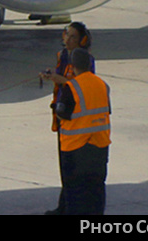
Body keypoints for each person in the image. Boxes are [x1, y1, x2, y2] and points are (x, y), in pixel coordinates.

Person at [42, 23, 94, 214]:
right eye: (67, 36)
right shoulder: (62, 56)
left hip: (77, 120)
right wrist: (52, 76)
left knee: (73, 168)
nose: (68, 40)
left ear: (82, 41)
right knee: (65, 167)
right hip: (62, 115)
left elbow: (85, 84)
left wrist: (60, 80)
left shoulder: (85, 60)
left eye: (73, 37)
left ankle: (70, 208)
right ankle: (64, 206)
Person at [55, 48, 111, 215]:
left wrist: (55, 107)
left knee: (74, 192)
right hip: (99, 145)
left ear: (72, 67)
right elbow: (107, 110)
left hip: (75, 148)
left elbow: (62, 113)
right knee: (96, 188)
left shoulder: (71, 87)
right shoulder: (102, 84)